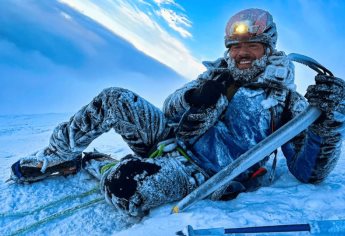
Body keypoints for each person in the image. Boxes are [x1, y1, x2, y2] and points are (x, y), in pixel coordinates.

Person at [10, 8, 345, 219]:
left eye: (251, 46)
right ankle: (57, 156)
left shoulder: (288, 104)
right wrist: (195, 96)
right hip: (171, 140)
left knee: (123, 184)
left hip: (202, 174)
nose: (241, 53)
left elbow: (308, 173)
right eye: (235, 47)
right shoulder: (216, 75)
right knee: (115, 97)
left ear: (268, 49)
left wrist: (329, 124)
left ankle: (99, 163)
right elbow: (170, 110)